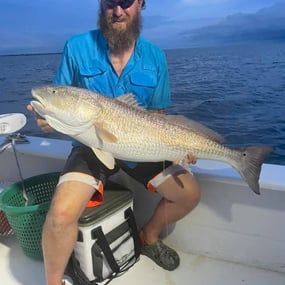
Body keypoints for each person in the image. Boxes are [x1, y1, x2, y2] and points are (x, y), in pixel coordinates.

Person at [27, 1, 201, 284]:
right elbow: (60, 99)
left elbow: (157, 115)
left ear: (141, 4)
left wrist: (179, 148)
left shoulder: (155, 56)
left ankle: (149, 237)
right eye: (110, 2)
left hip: (140, 145)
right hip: (91, 145)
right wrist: (48, 119)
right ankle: (53, 281)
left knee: (189, 193)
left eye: (126, 2)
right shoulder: (76, 47)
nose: (118, 11)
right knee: (59, 214)